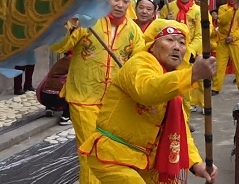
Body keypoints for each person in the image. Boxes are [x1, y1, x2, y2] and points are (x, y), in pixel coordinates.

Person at [79, 19, 218, 183]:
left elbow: (180, 128)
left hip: (145, 161)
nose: (176, 47)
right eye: (170, 40)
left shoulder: (171, 76)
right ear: (153, 44)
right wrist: (191, 75)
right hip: (114, 155)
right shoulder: (140, 62)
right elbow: (147, 90)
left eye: (181, 43)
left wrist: (196, 164)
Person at [52, 0, 146, 184]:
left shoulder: (133, 31)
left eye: (125, 1)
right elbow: (60, 47)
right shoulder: (88, 21)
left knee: (108, 153)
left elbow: (140, 63)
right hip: (83, 97)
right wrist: (69, 24)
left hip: (114, 102)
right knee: (91, 151)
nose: (120, 4)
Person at [160, 0, 203, 115]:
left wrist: (188, 51)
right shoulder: (169, 7)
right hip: (168, 53)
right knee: (167, 85)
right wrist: (166, 21)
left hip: (187, 55)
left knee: (185, 89)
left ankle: (184, 120)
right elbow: (158, 28)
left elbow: (200, 35)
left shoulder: (198, 12)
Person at [212, 0, 239, 95]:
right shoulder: (222, 8)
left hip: (235, 41)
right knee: (220, 65)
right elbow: (222, 20)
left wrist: (233, 37)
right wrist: (232, 10)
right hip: (223, 40)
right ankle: (215, 88)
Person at [38, 53, 72, 125]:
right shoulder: (74, 62)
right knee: (73, 91)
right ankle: (65, 117)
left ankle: (50, 108)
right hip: (58, 98)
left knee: (52, 86)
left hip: (44, 96)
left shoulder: (60, 62)